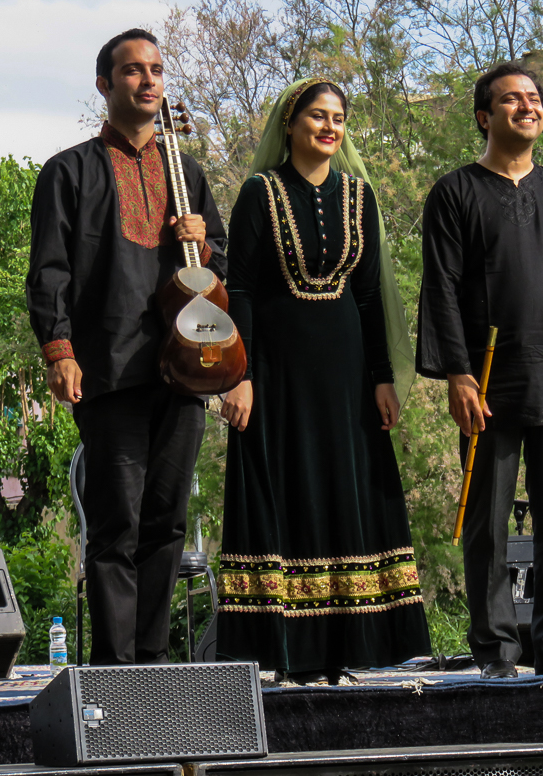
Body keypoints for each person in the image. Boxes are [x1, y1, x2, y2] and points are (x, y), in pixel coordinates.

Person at [214, 77, 431, 683]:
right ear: (290, 123)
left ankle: (344, 648)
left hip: (345, 377)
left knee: (345, 492)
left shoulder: (359, 196)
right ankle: (289, 652)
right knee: (285, 490)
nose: (329, 127)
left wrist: (383, 379)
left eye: (338, 117)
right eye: (317, 116)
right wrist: (242, 374)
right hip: (277, 376)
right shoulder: (261, 192)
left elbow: (367, 296)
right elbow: (246, 290)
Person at [26, 28, 226, 665]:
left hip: (184, 370)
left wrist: (205, 240)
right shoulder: (69, 172)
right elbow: (49, 271)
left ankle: (154, 665)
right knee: (119, 526)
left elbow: (223, 272)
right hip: (110, 369)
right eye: (133, 70)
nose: (147, 80)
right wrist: (59, 350)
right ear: (104, 84)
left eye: (156, 70)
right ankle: (117, 672)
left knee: (167, 522)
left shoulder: (188, 173)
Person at [417, 62, 543, 680]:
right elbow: (443, 290)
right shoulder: (454, 193)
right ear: (485, 116)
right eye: (512, 100)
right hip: (486, 383)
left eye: (534, 98)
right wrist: (456, 375)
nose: (528, 107)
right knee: (488, 526)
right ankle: (497, 652)